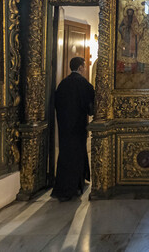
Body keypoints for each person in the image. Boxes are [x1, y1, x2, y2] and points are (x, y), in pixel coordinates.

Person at [52, 57, 95, 202]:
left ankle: (65, 187)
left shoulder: (63, 84)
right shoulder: (84, 84)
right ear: (81, 68)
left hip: (64, 127)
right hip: (78, 127)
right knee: (76, 155)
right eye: (84, 66)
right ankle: (73, 187)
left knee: (65, 155)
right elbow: (90, 106)